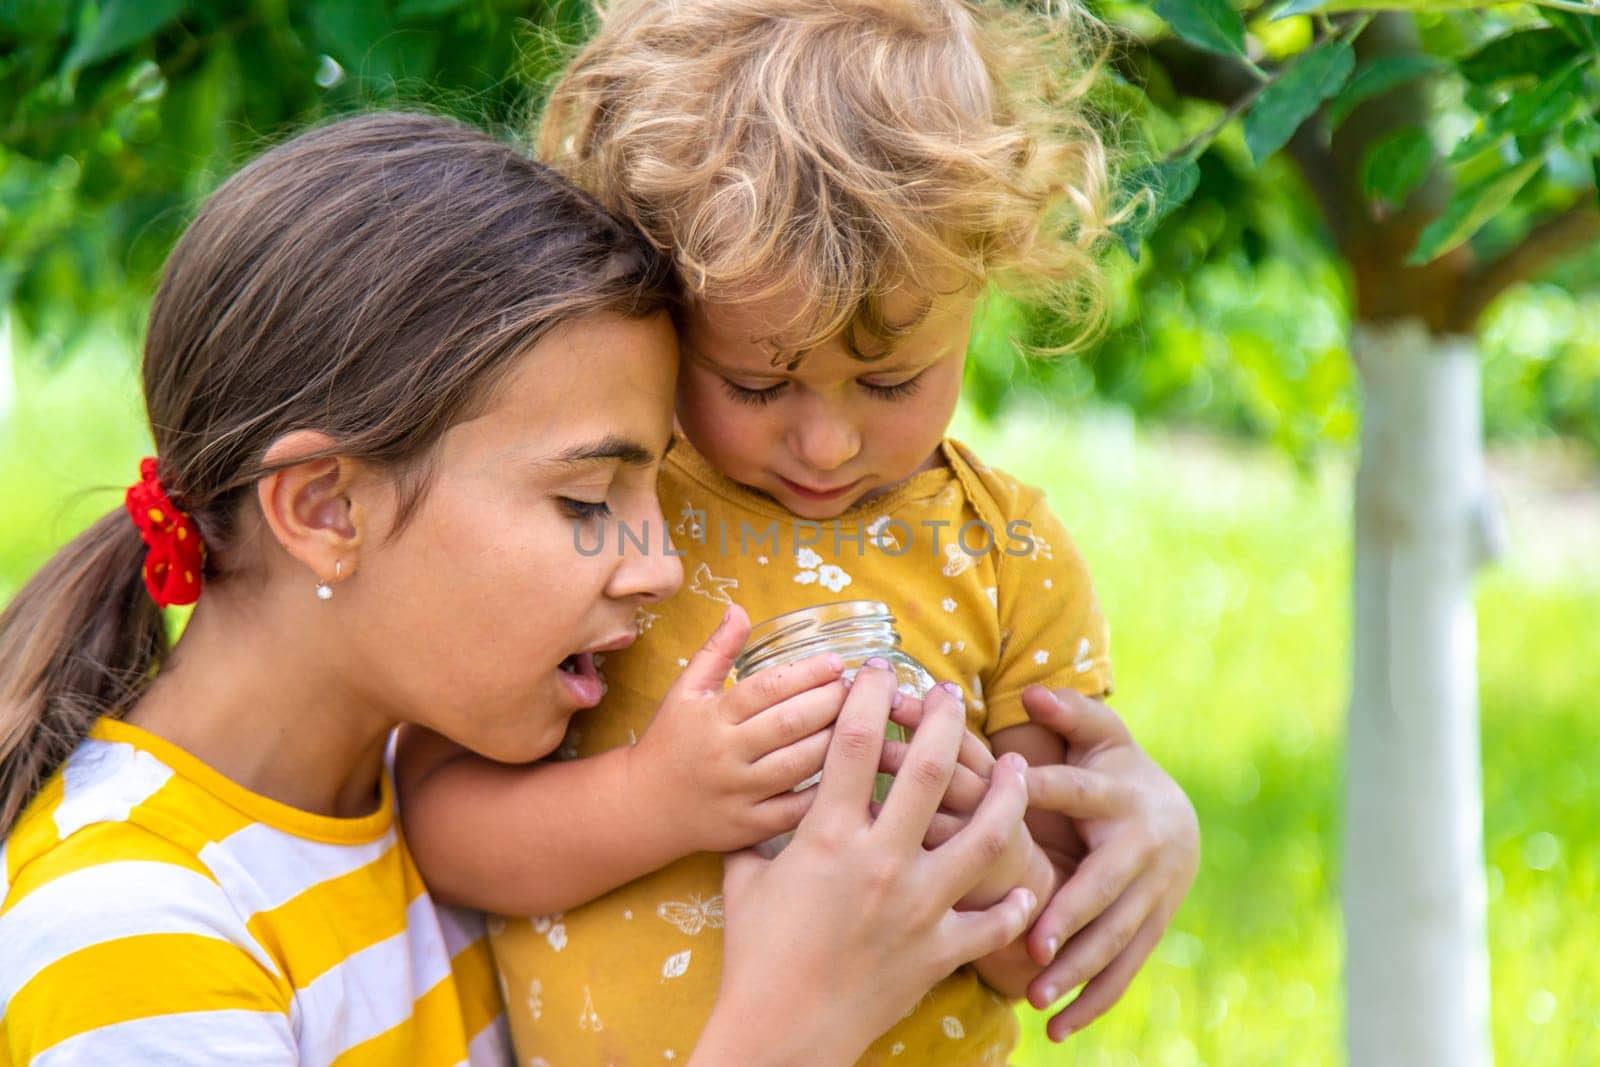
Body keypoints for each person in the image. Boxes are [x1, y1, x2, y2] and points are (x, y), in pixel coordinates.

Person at [0, 112, 1044, 1066]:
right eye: (589, 499)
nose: (661, 564)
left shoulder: (449, 817)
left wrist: (1106, 817)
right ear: (325, 509)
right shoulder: (133, 938)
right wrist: (789, 1026)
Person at [397, 0, 1199, 1062]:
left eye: (891, 379)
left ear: (982, 282)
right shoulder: (605, 511)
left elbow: (1040, 956)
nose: (824, 443)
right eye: (757, 382)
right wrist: (663, 799)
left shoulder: (1006, 555)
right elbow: (438, 828)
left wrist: (986, 842)